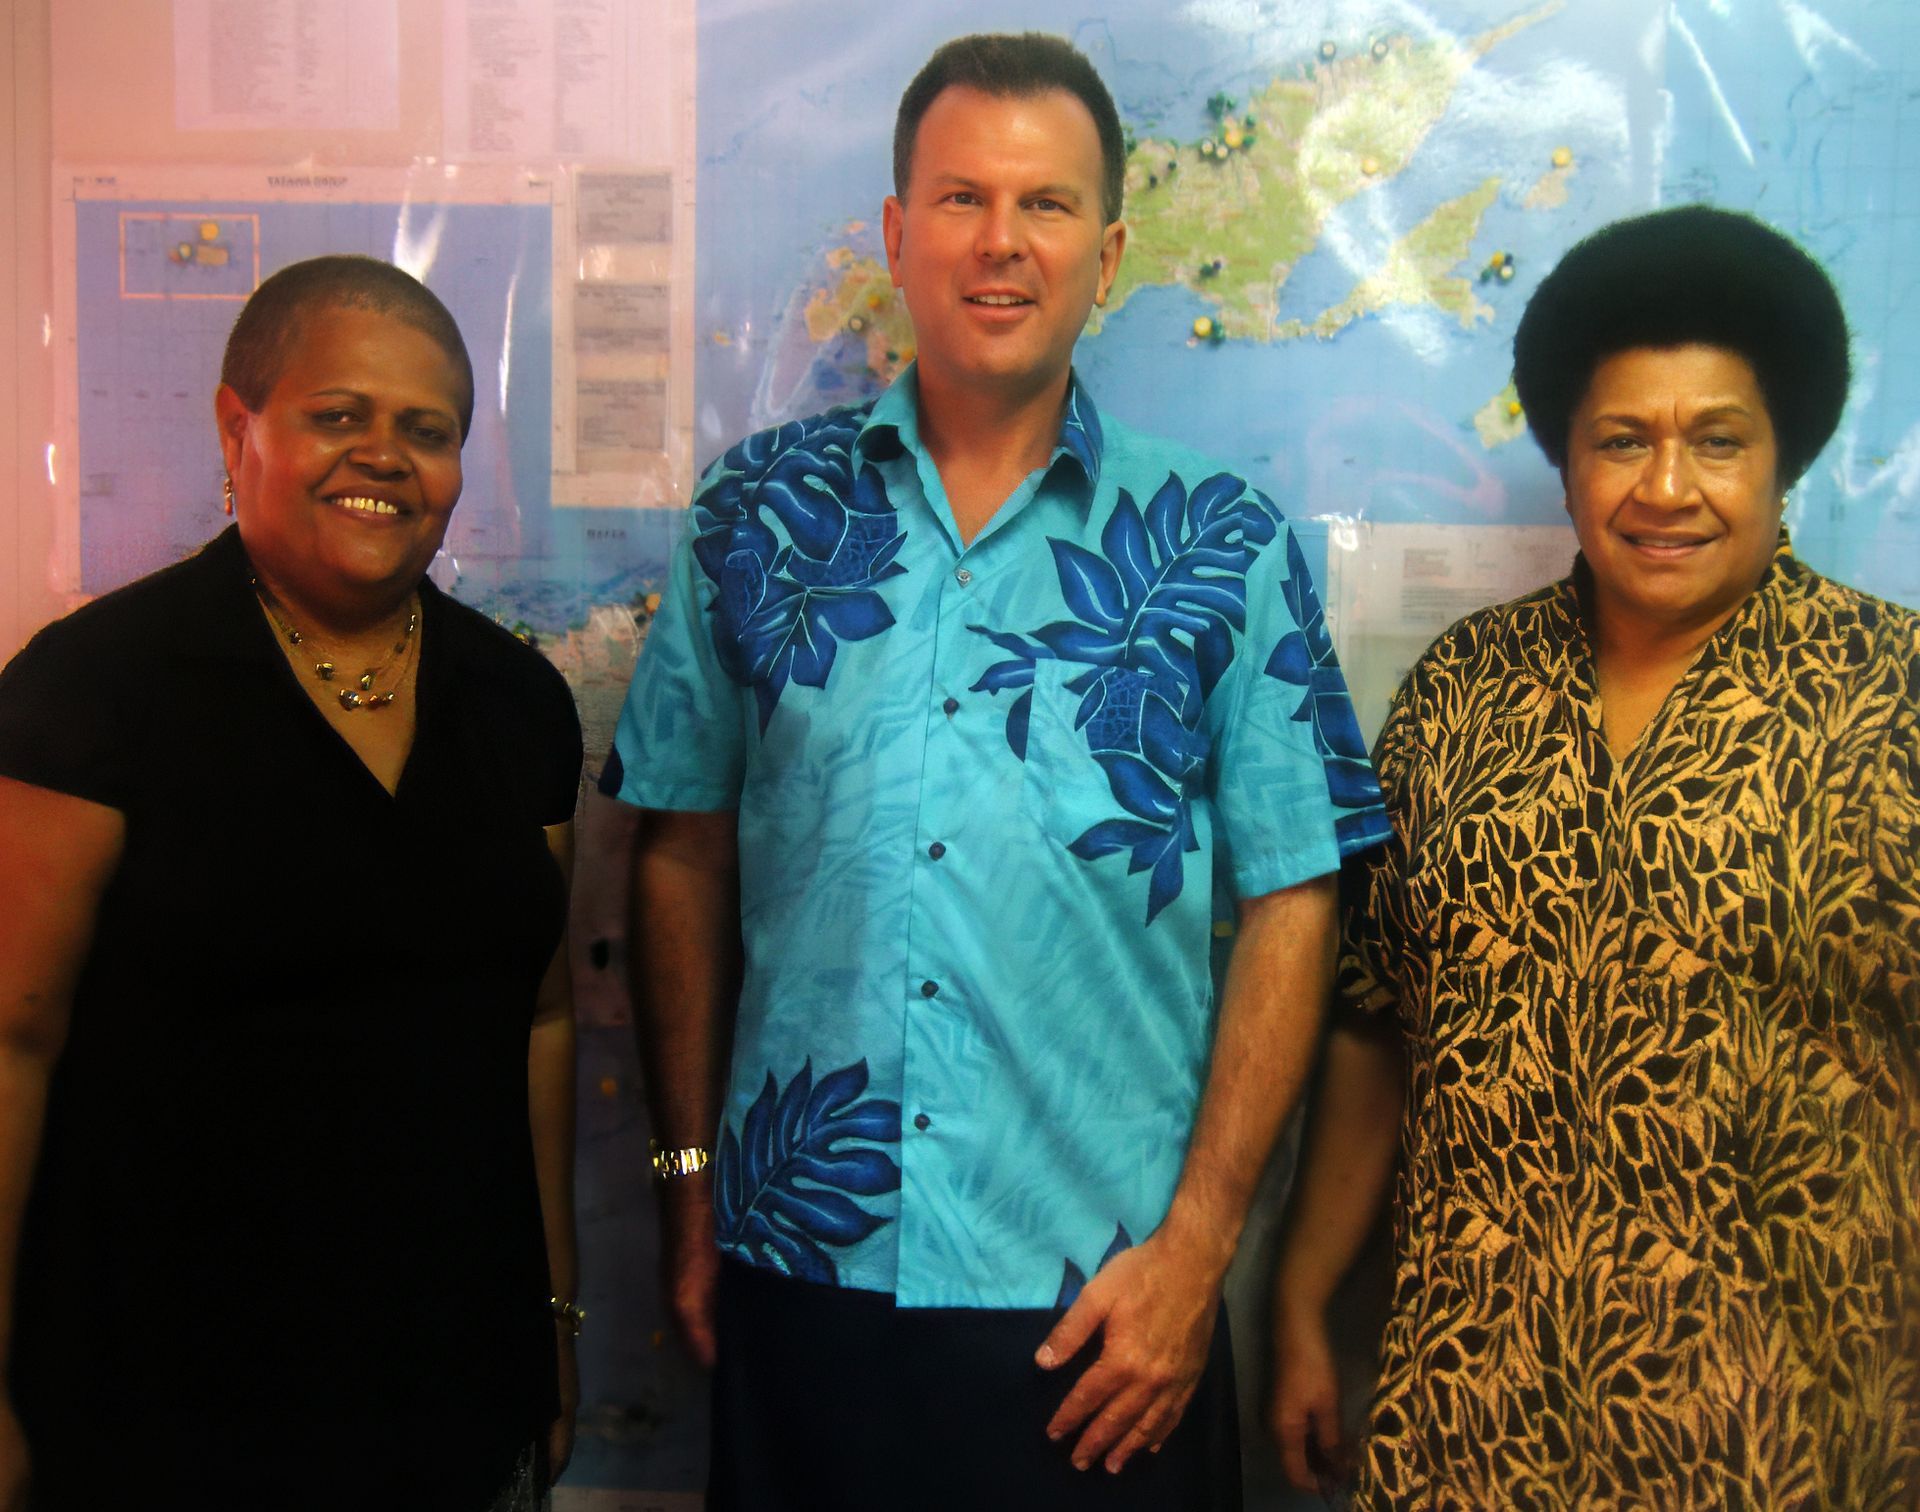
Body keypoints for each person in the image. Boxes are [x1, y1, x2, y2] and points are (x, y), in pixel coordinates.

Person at [600, 31, 1387, 1511]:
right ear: (896, 235)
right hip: (802, 1254)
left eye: (1046, 203)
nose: (1002, 243)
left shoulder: (1219, 543)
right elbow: (682, 849)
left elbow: (1296, 894)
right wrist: (691, 1185)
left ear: (1110, 247)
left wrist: (1206, 1245)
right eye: (961, 198)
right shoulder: (756, 516)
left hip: (1104, 1306)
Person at [1269, 204, 1920, 1506]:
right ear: (1566, 464)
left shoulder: (1892, 695)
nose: (1667, 488)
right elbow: (1376, 1027)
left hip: (1787, 1437)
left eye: (1717, 442)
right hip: (1471, 1420)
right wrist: (1297, 1301)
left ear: (1783, 459)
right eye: (1623, 441)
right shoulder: (1462, 692)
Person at [0, 256, 584, 1511]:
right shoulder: (95, 689)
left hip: (454, 1405)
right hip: (161, 1416)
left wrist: (556, 1327)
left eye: (425, 432)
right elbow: (9, 1041)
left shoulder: (518, 704)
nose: (383, 455)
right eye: (339, 415)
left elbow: (536, 1025)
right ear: (236, 426)